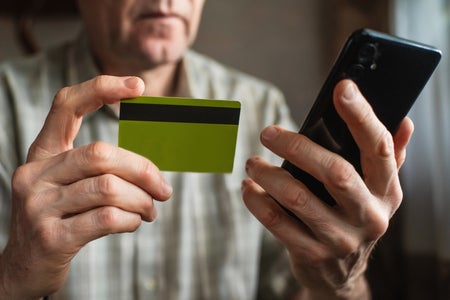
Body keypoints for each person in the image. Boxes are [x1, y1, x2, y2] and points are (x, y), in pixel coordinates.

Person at [0, 0, 414, 299]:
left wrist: (340, 282)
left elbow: (296, 290)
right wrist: (14, 276)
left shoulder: (262, 108)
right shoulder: (6, 102)